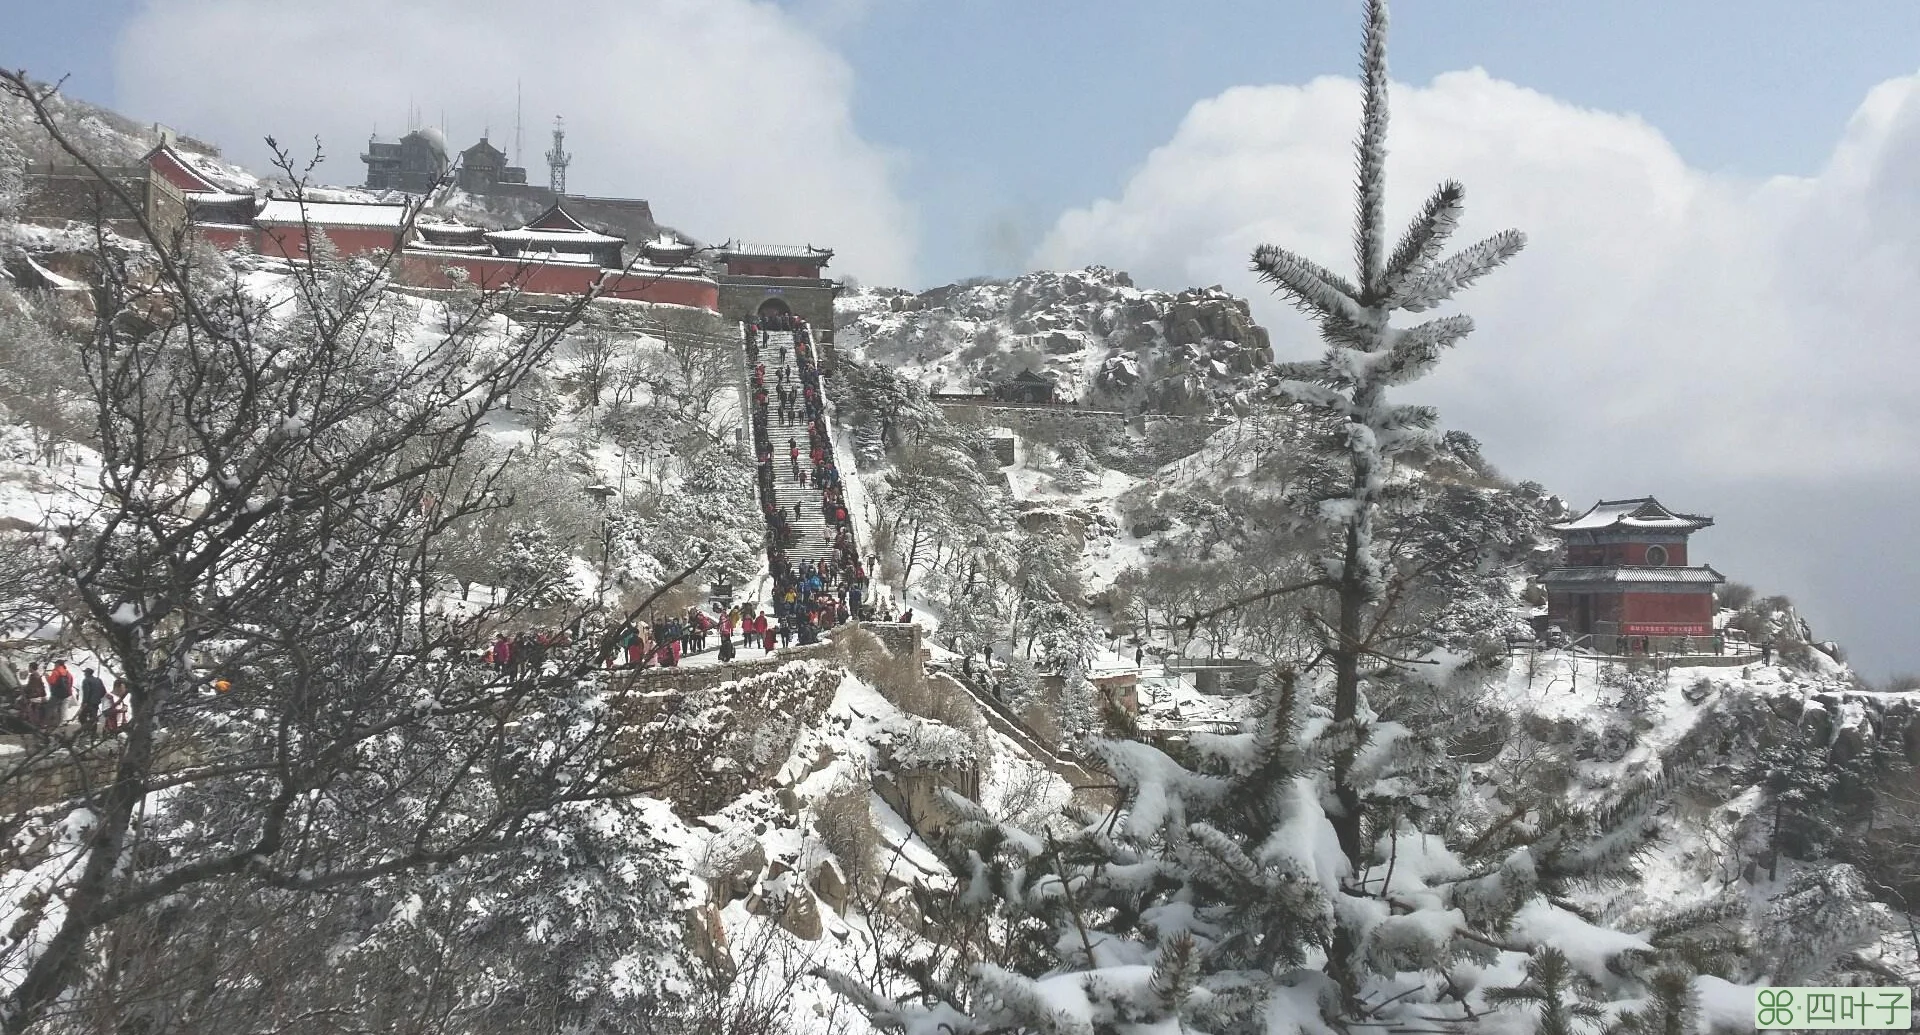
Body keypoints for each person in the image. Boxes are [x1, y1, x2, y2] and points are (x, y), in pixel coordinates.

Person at [79, 666, 108, 735]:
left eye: (85, 672)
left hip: (89, 702)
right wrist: (98, 698)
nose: (84, 674)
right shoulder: (99, 680)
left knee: (81, 717)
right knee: (93, 717)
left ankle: (86, 729)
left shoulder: (86, 680)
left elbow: (86, 692)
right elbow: (104, 691)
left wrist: (84, 702)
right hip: (96, 702)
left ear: (87, 673)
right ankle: (93, 732)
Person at [21, 662, 47, 731]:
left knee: (32, 709)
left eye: (29, 667)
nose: (28, 668)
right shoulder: (37, 675)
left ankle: (35, 724)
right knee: (35, 709)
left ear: (31, 668)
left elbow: (31, 687)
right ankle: (37, 723)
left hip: (35, 696)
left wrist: (24, 689)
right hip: (38, 695)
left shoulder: (33, 676)